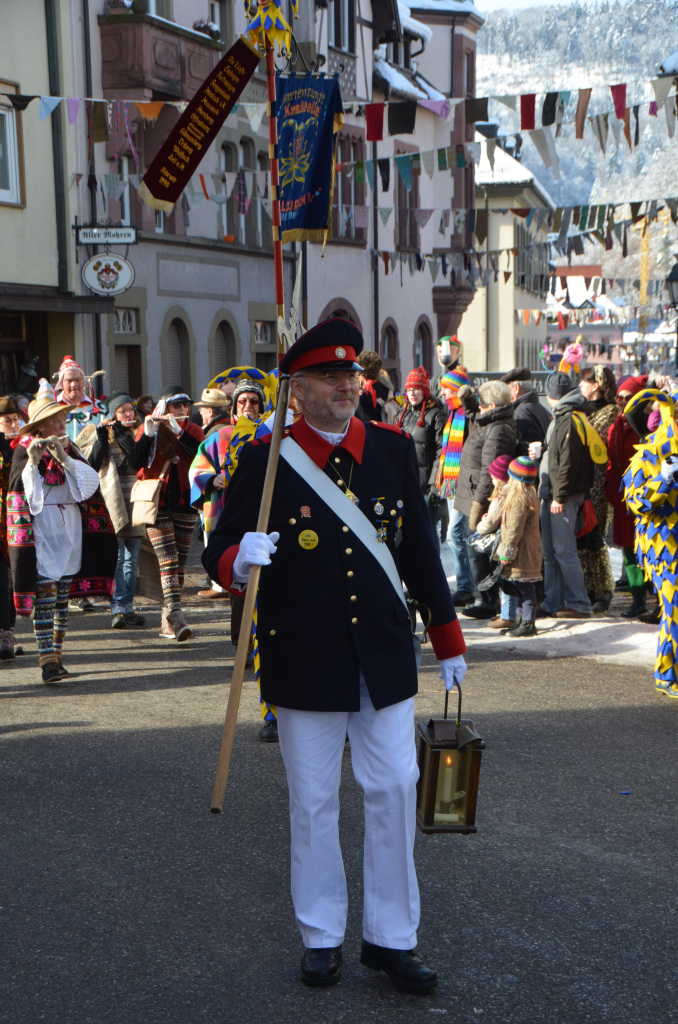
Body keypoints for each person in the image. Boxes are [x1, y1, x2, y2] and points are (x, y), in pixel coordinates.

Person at [203, 318, 467, 992]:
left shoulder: (389, 449)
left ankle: (391, 938)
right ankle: (321, 935)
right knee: (314, 802)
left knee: (394, 791)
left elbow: (417, 555)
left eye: (351, 376)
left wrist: (447, 638)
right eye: (330, 377)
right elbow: (219, 545)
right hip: (304, 654)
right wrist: (238, 558)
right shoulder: (264, 462)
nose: (348, 386)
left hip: (381, 650)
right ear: (296, 390)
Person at [7, 379, 116, 683]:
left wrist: (65, 458)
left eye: (62, 418)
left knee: (62, 598)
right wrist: (33, 463)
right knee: (45, 594)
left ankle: (57, 652)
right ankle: (46, 661)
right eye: (55, 420)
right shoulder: (25, 451)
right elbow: (25, 496)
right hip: (43, 532)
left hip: (70, 533)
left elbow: (88, 485)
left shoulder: (72, 450)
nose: (61, 423)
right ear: (40, 425)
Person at [128, 389, 204, 641]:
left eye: (186, 405)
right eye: (176, 405)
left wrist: (179, 432)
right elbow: (136, 461)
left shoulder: (192, 430)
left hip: (184, 503)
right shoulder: (150, 428)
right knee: (168, 559)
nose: (182, 410)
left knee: (179, 564)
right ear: (165, 407)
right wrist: (148, 435)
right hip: (156, 504)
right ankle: (176, 614)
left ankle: (166, 621)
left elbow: (199, 454)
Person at [623, 387, 678, 698]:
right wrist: (664, 479)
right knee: (674, 608)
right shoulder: (645, 457)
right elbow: (635, 501)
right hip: (662, 549)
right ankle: (666, 674)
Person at [78, 392, 147, 630]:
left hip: (136, 501)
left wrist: (123, 435)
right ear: (113, 414)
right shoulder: (101, 435)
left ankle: (127, 607)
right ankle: (117, 608)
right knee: (118, 559)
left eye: (130, 410)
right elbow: (91, 466)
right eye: (122, 411)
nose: (128, 414)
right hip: (113, 503)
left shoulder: (139, 434)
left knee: (132, 559)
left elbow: (139, 461)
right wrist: (101, 438)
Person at [453, 380, 517, 619]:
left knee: (479, 550)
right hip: (471, 493)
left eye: (480, 403)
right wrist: (468, 399)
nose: (478, 407)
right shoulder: (490, 420)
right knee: (475, 548)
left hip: (481, 497)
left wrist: (479, 505)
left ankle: (487, 600)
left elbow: (489, 473)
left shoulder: (499, 429)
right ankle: (485, 597)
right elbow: (474, 415)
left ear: (491, 405)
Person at [533, 371, 593, 619]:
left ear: (553, 395)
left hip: (561, 496)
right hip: (552, 493)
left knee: (563, 550)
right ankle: (552, 600)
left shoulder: (567, 418)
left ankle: (579, 603)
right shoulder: (561, 416)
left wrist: (560, 496)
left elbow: (568, 462)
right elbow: (558, 456)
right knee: (550, 551)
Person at [606, 375, 653, 620]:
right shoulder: (616, 424)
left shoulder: (646, 425)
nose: (623, 402)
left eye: (628, 397)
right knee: (628, 548)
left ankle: (654, 598)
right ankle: (638, 599)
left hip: (643, 497)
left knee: (648, 548)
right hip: (622, 497)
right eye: (620, 397)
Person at [577, 365, 618, 614]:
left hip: (599, 483)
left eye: (584, 382)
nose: (580, 385)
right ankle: (588, 588)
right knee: (581, 537)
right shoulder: (581, 410)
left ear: (596, 385)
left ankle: (604, 590)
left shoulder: (610, 412)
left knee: (595, 538)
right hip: (581, 481)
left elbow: (593, 438)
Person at [436, 368, 475, 604]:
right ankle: (468, 585)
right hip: (453, 483)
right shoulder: (452, 413)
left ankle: (466, 586)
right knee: (457, 535)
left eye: (446, 388)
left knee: (455, 534)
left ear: (457, 390)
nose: (441, 392)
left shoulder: (467, 415)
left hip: (464, 484)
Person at [397, 367, 448, 547]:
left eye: (416, 389)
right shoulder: (404, 413)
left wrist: (434, 483)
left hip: (427, 485)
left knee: (427, 530)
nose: (412, 393)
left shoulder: (437, 414)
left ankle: (433, 570)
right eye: (409, 389)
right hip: (406, 481)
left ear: (425, 390)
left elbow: (442, 450)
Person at [495, 457, 543, 638]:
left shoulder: (518, 499)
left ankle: (528, 622)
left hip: (522, 551)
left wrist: (507, 550)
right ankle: (522, 620)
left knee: (525, 587)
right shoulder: (530, 493)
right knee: (520, 585)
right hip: (527, 549)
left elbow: (513, 528)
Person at [472, 454, 518, 629]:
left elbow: (490, 522)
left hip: (504, 543)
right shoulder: (516, 490)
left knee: (506, 578)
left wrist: (479, 527)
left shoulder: (500, 495)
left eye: (492, 476)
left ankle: (507, 615)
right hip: (514, 542)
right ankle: (515, 613)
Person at [0, 397, 23, 658]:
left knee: (14, 581)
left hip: (16, 521)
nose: (13, 424)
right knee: (2, 581)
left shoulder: (21, 445)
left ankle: (9, 631)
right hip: (0, 522)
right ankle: (4, 633)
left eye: (16, 420)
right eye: (8, 420)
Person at [55, 354, 108, 441]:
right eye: (69, 380)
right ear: (61, 384)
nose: (74, 384)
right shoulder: (51, 408)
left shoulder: (101, 408)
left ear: (83, 382)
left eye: (77, 380)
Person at [501, 367, 551, 457]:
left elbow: (526, 452)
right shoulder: (540, 408)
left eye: (507, 389)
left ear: (516, 388)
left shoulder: (521, 413)